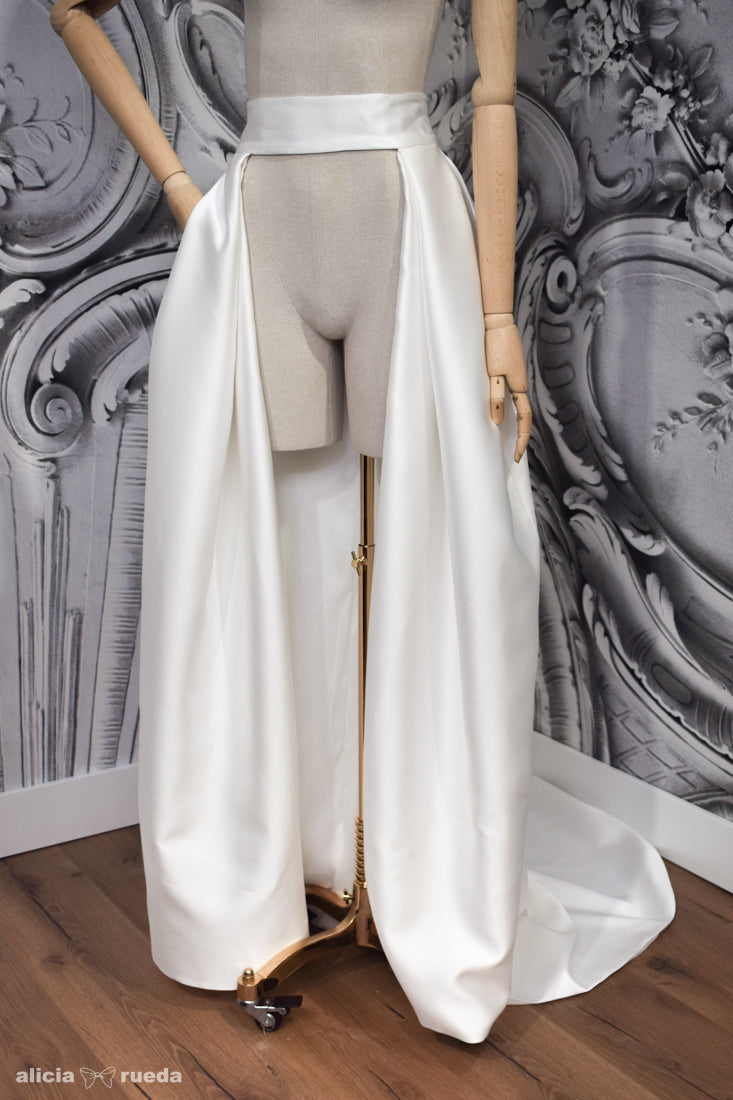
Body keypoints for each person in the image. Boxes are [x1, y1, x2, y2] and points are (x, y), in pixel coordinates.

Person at [51, 0, 674, 1044]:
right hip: (266, 230)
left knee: (421, 542)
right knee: (273, 547)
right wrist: (179, 188)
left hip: (402, 228)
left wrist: (496, 317)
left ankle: (398, 857)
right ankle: (304, 855)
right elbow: (71, 9)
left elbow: (492, 96)